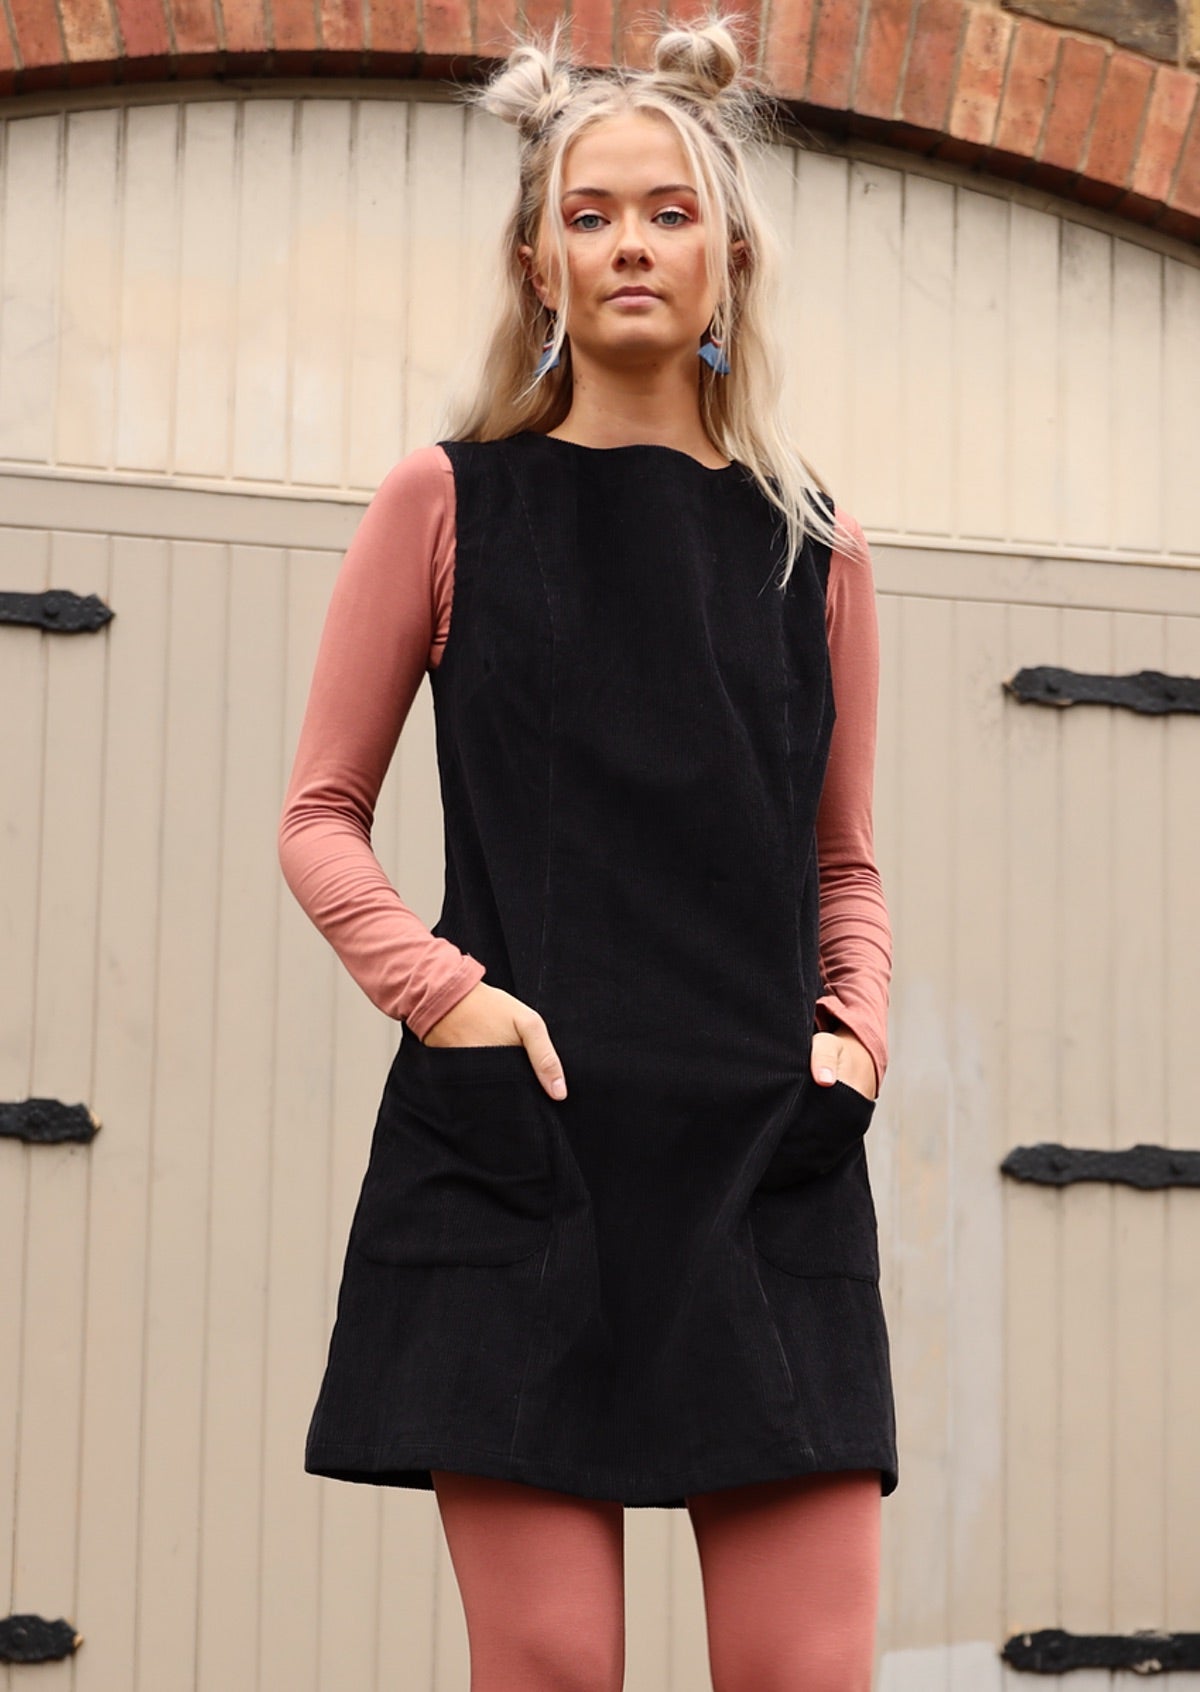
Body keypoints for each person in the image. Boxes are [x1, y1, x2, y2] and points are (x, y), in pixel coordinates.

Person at [278, 12, 897, 1689]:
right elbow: (318, 819)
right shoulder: (445, 502)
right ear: (537, 261)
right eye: (593, 212)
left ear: (730, 258)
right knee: (553, 1672)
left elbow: (844, 866)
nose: (631, 242)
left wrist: (855, 1037)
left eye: (670, 212)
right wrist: (446, 1000)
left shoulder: (817, 544)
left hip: (767, 1157)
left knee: (806, 1677)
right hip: (522, 1151)